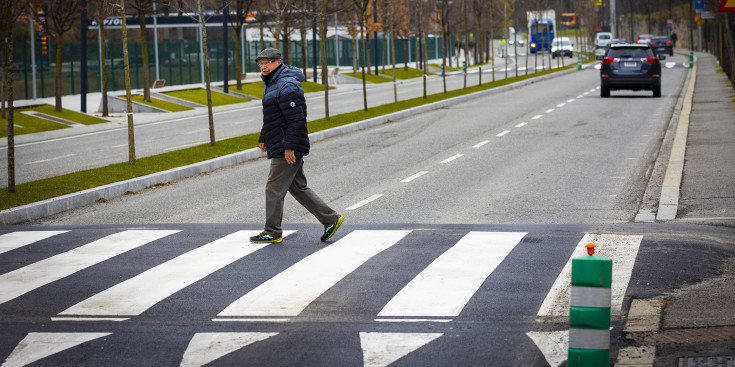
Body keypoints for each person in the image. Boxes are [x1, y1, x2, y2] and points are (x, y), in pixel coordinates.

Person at [249, 47, 344, 244]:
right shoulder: (274, 82)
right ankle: (331, 219)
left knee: (273, 187)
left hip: (287, 145)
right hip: (281, 142)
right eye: (261, 63)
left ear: (278, 62)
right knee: (297, 187)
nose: (264, 67)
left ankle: (272, 231)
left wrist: (289, 147)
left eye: (268, 62)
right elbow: (273, 117)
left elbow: (296, 120)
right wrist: (264, 136)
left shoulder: (287, 85)